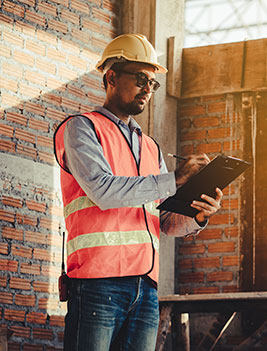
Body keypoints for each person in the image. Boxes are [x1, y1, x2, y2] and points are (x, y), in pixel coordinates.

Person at [53, 34, 223, 350]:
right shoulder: (81, 128)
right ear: (112, 77)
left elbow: (165, 220)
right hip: (96, 283)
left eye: (152, 83)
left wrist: (197, 215)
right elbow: (103, 191)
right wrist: (176, 178)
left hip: (145, 287)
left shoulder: (150, 147)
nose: (148, 88)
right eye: (141, 79)